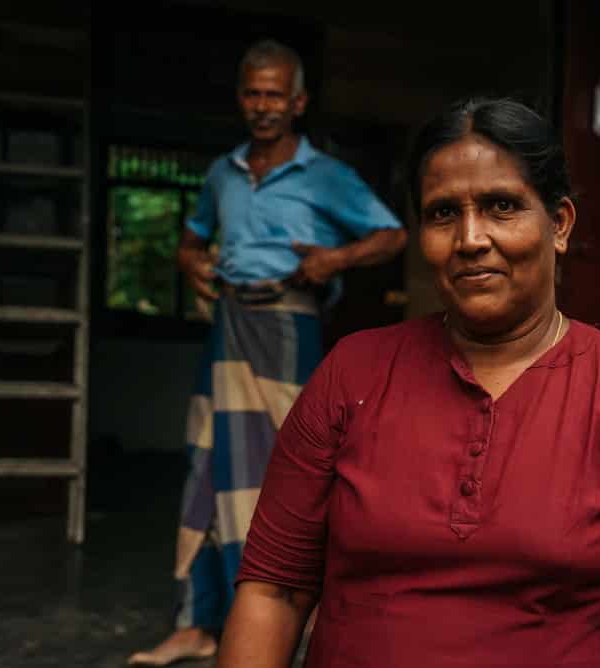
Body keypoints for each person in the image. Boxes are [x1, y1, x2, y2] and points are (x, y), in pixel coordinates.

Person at [219, 98, 600, 668]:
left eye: (501, 206)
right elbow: (274, 593)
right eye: (442, 214)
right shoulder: (351, 374)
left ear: (558, 225)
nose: (469, 239)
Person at [128, 40, 406, 666]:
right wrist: (192, 261)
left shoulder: (326, 175)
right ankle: (197, 622)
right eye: (253, 93)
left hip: (289, 327)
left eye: (274, 94)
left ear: (298, 102)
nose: (262, 106)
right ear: (241, 98)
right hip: (228, 323)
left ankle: (287, 625)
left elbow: (393, 233)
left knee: (292, 471)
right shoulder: (223, 172)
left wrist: (335, 259)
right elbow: (191, 240)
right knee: (209, 464)